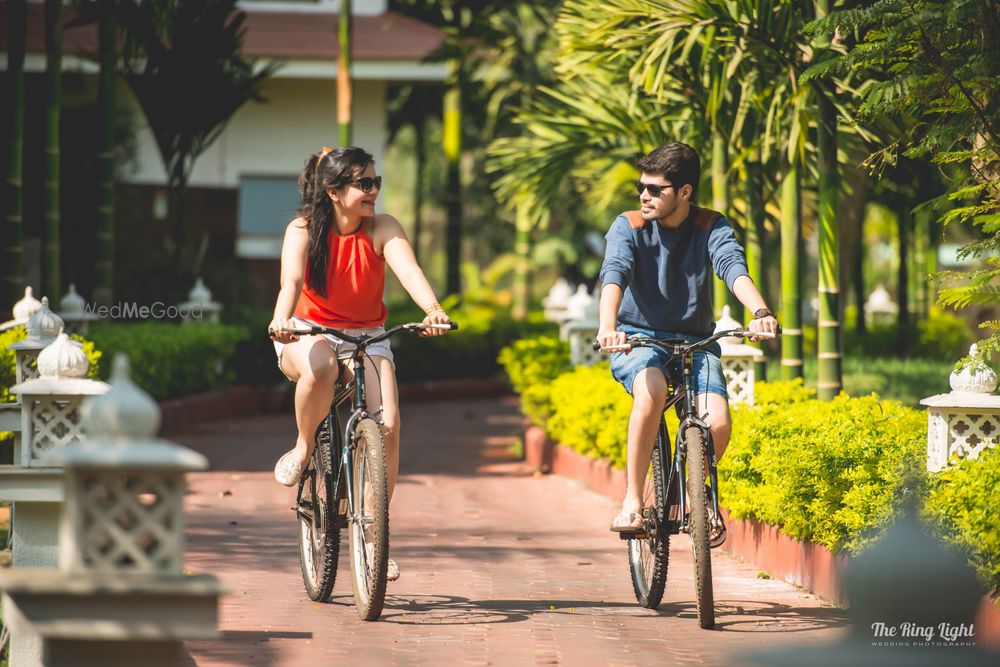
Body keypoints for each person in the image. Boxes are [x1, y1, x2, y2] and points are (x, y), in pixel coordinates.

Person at [268, 146, 450, 581]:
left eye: (376, 182)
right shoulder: (303, 229)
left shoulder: (382, 228)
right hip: (307, 329)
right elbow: (291, 281)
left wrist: (433, 309)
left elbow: (409, 270)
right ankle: (303, 446)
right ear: (333, 191)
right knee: (321, 368)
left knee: (388, 424)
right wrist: (280, 319)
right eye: (363, 183)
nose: (373, 191)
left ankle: (374, 538)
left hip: (368, 334)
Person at [596, 142, 779, 541]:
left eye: (655, 189)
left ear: (684, 192)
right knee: (653, 392)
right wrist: (607, 327)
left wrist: (761, 313)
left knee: (719, 423)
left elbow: (732, 268)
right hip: (637, 341)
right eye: (641, 186)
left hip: (696, 343)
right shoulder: (628, 225)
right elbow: (615, 273)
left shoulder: (711, 225)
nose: (645, 196)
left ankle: (694, 497)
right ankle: (632, 501)